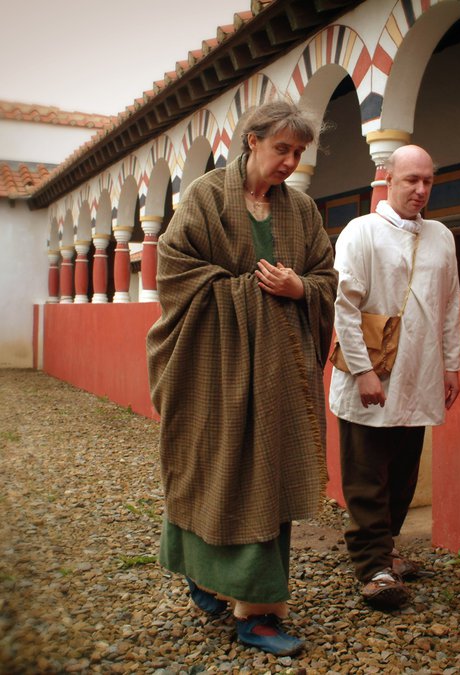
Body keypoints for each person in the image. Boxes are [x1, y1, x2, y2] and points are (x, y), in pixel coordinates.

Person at [146, 100, 337, 656]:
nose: (290, 162)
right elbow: (174, 269)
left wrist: (299, 289)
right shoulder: (205, 197)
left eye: (299, 153)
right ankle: (209, 579)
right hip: (216, 367)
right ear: (251, 141)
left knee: (267, 475)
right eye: (282, 149)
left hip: (282, 371)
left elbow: (326, 274)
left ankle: (258, 613)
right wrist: (248, 292)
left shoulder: (300, 211)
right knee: (213, 467)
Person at [329, 144, 460, 609]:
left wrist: (451, 365)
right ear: (388, 179)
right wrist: (364, 372)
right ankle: (373, 568)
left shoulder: (442, 236)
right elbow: (343, 305)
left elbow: (450, 306)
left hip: (421, 374)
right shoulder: (362, 232)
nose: (421, 190)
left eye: (428, 180)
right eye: (411, 180)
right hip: (372, 375)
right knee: (368, 475)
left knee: (405, 471)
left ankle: (387, 548)